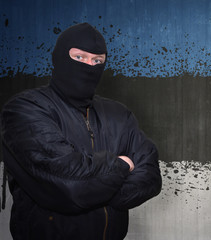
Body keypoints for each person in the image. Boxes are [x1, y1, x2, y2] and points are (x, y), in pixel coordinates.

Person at [0, 22, 162, 240]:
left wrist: (96, 190)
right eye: (79, 57)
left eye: (97, 61)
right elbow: (68, 188)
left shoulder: (119, 114)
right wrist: (122, 165)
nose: (89, 65)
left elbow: (150, 177)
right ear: (58, 58)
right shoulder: (25, 109)